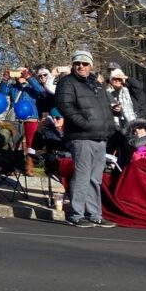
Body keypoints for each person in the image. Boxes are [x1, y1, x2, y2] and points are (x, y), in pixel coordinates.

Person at [54, 49, 116, 228]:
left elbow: (105, 106)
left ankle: (94, 214)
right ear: (72, 65)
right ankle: (76, 214)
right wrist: (84, 123)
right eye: (77, 63)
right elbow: (64, 105)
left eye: (85, 63)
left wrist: (111, 119)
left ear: (91, 65)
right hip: (81, 136)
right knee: (82, 176)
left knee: (95, 178)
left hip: (100, 136)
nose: (81, 66)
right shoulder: (67, 82)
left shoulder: (96, 84)